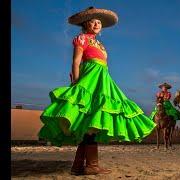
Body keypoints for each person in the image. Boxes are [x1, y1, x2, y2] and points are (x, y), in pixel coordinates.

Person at [38, 7, 156, 175]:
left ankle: (78, 166)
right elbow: (76, 62)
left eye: (99, 22)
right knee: (89, 120)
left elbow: (103, 65)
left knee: (93, 122)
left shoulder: (100, 44)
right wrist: (77, 82)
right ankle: (90, 166)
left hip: (103, 80)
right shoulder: (81, 39)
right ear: (86, 23)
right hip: (89, 80)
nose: (97, 24)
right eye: (93, 21)